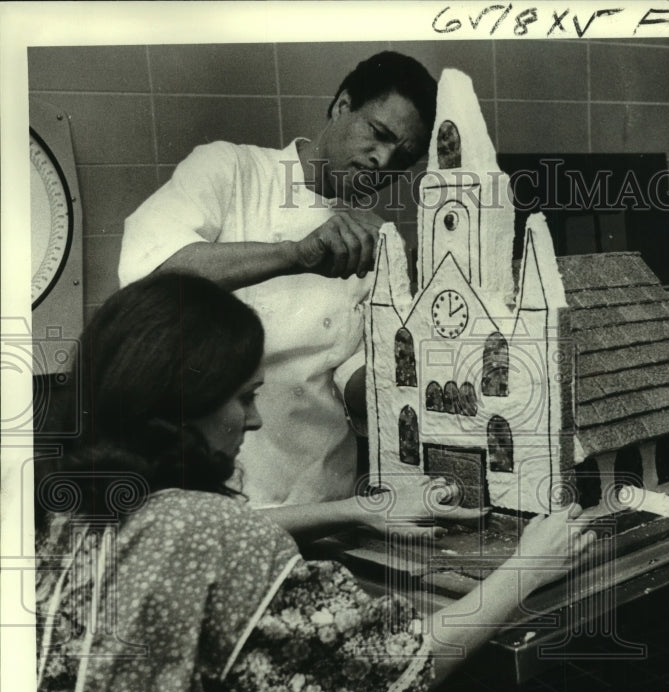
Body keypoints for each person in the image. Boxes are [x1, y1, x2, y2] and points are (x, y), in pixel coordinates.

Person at [35, 273, 595, 692]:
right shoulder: (216, 533)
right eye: (244, 397)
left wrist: (359, 508)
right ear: (183, 403)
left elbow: (186, 547)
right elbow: (395, 663)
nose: (253, 421)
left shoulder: (70, 504)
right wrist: (528, 566)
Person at [118, 51, 437, 508]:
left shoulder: (374, 238)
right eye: (378, 134)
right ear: (342, 105)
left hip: (328, 496)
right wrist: (295, 254)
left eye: (402, 157)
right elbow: (149, 279)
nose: (382, 161)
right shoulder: (231, 171)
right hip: (220, 493)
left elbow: (348, 371)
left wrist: (415, 381)